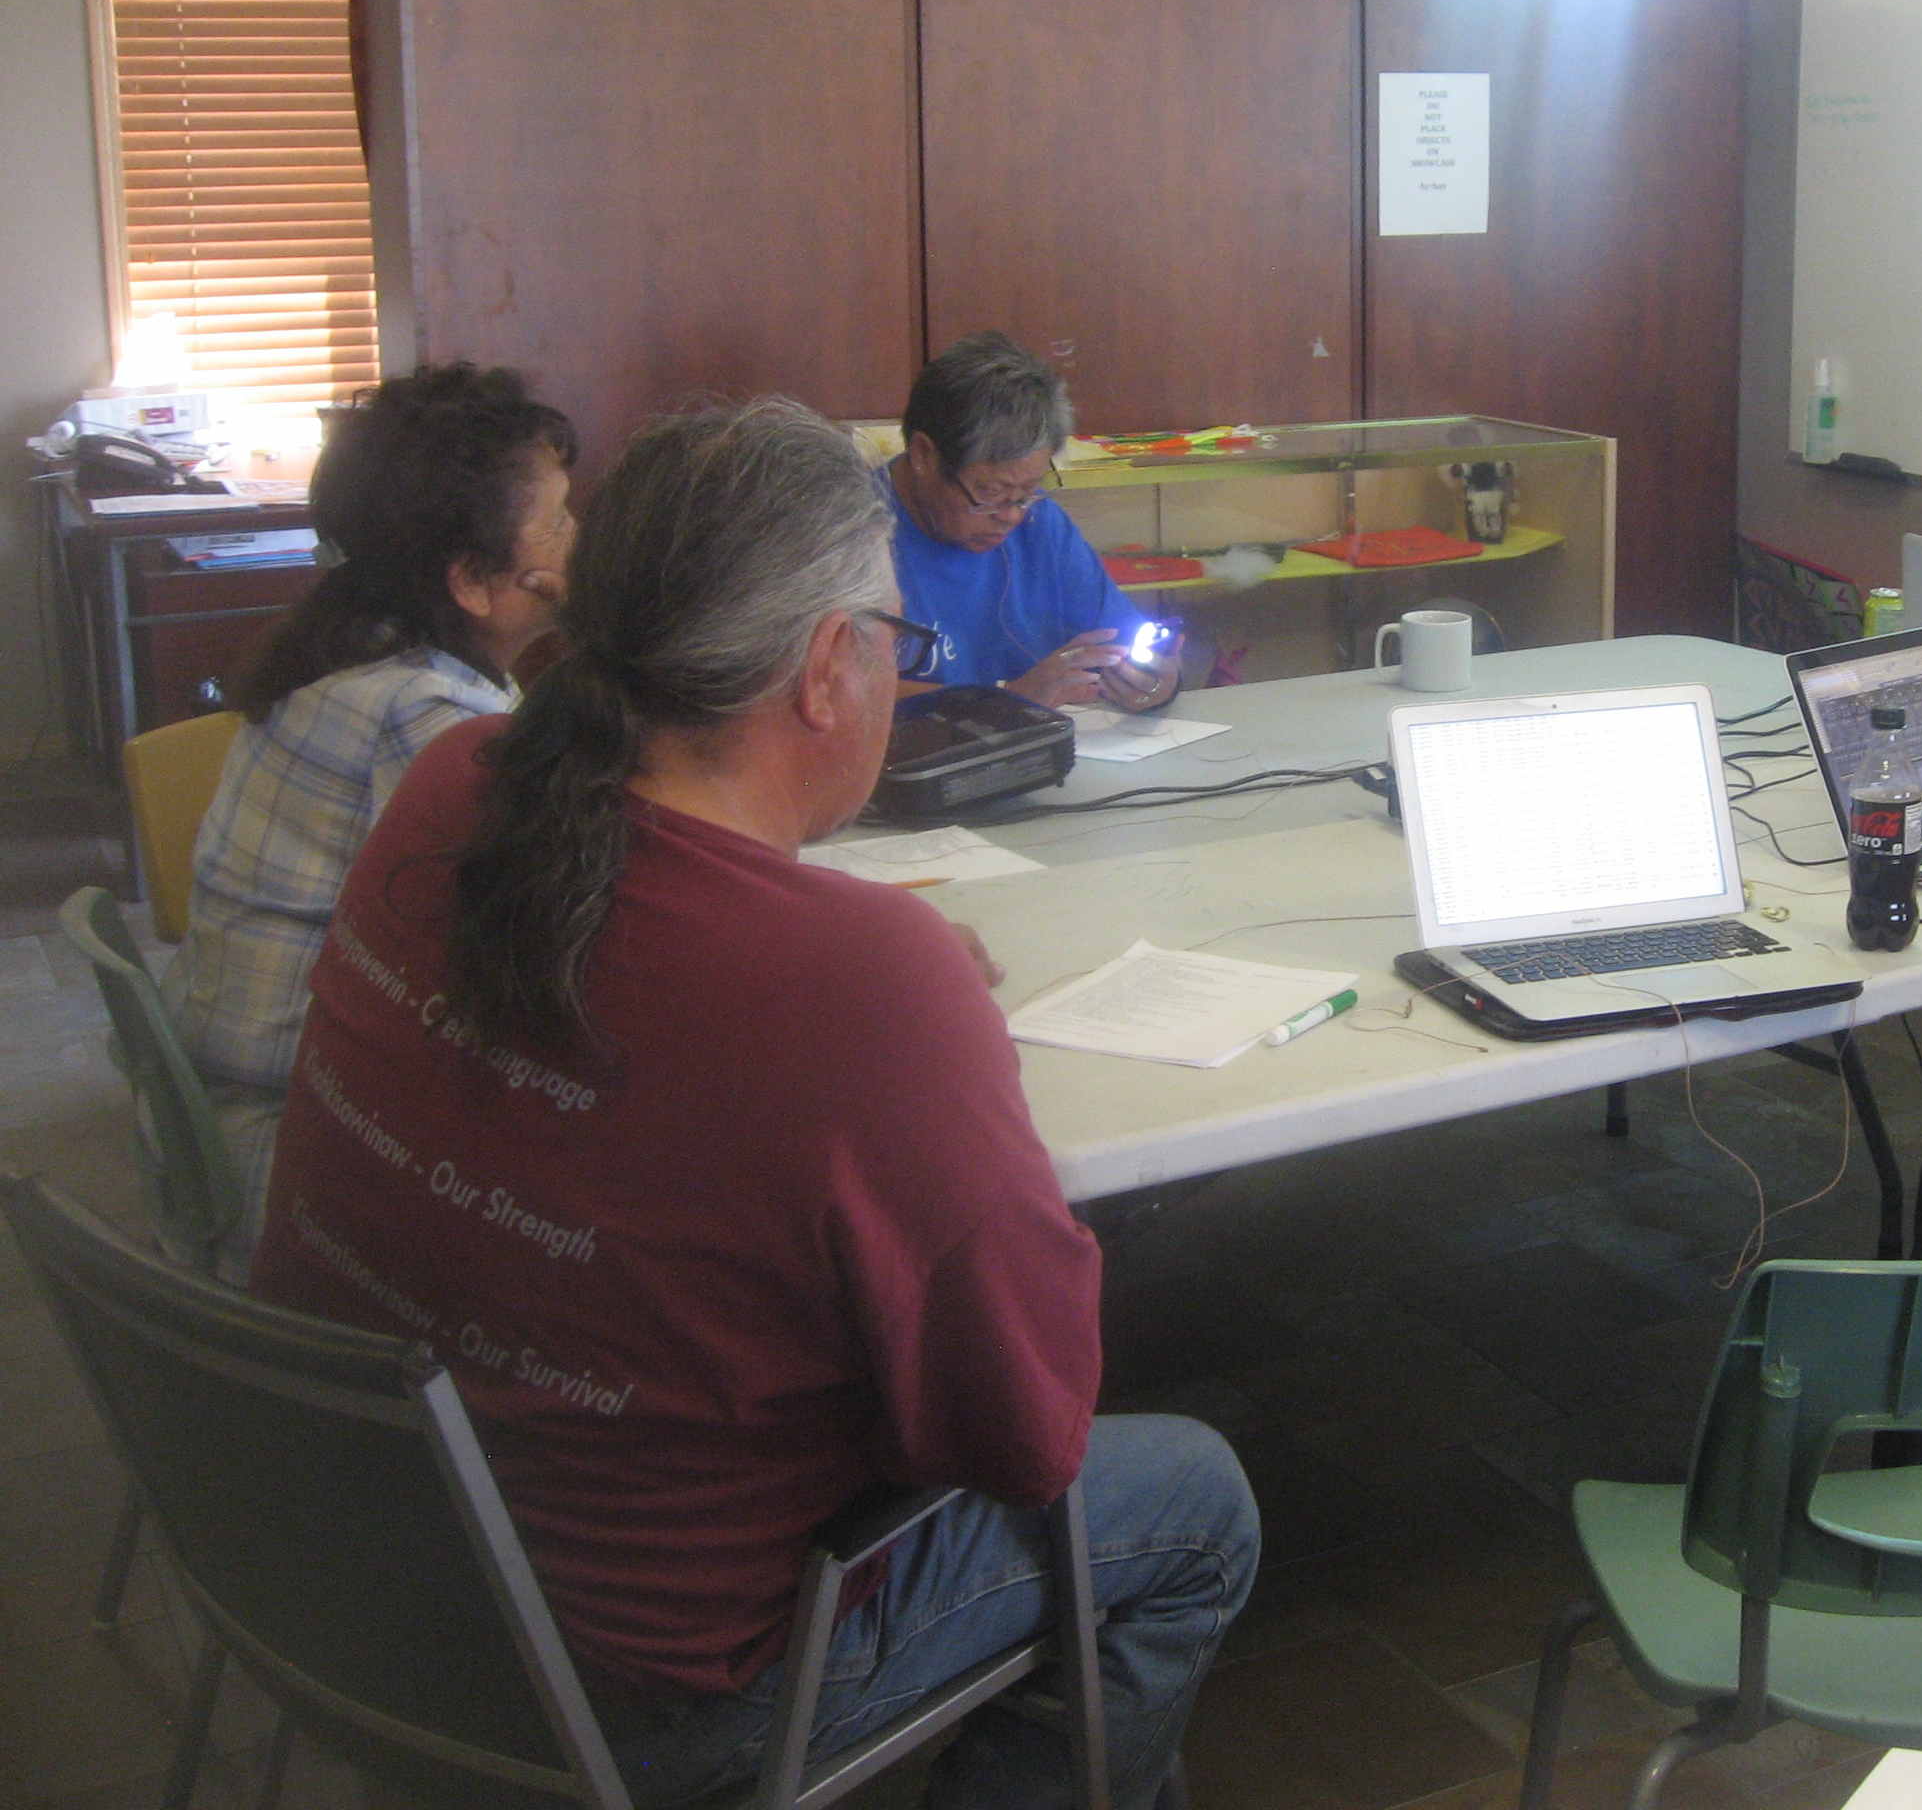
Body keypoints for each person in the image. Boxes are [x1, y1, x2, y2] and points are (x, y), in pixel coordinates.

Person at [249, 399, 1256, 1808]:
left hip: (337, 1576)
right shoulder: (866, 979)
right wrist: (903, 1024)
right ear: (829, 669)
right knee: (1193, 1501)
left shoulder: (455, 780)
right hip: (633, 1697)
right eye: (899, 642)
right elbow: (1025, 1437)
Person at [161, 361, 575, 1281]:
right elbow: (539, 960)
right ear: (473, 580)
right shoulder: (423, 721)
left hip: (243, 1105)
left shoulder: (360, 646)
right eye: (558, 520)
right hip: (299, 1157)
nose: (579, 539)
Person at [883, 330, 1179, 712]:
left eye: (1026, 491)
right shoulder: (848, 535)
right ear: (924, 455)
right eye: (988, 492)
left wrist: (1156, 682)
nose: (1011, 516)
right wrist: (1006, 701)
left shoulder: (1040, 525)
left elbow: (1125, 641)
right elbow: (834, 705)